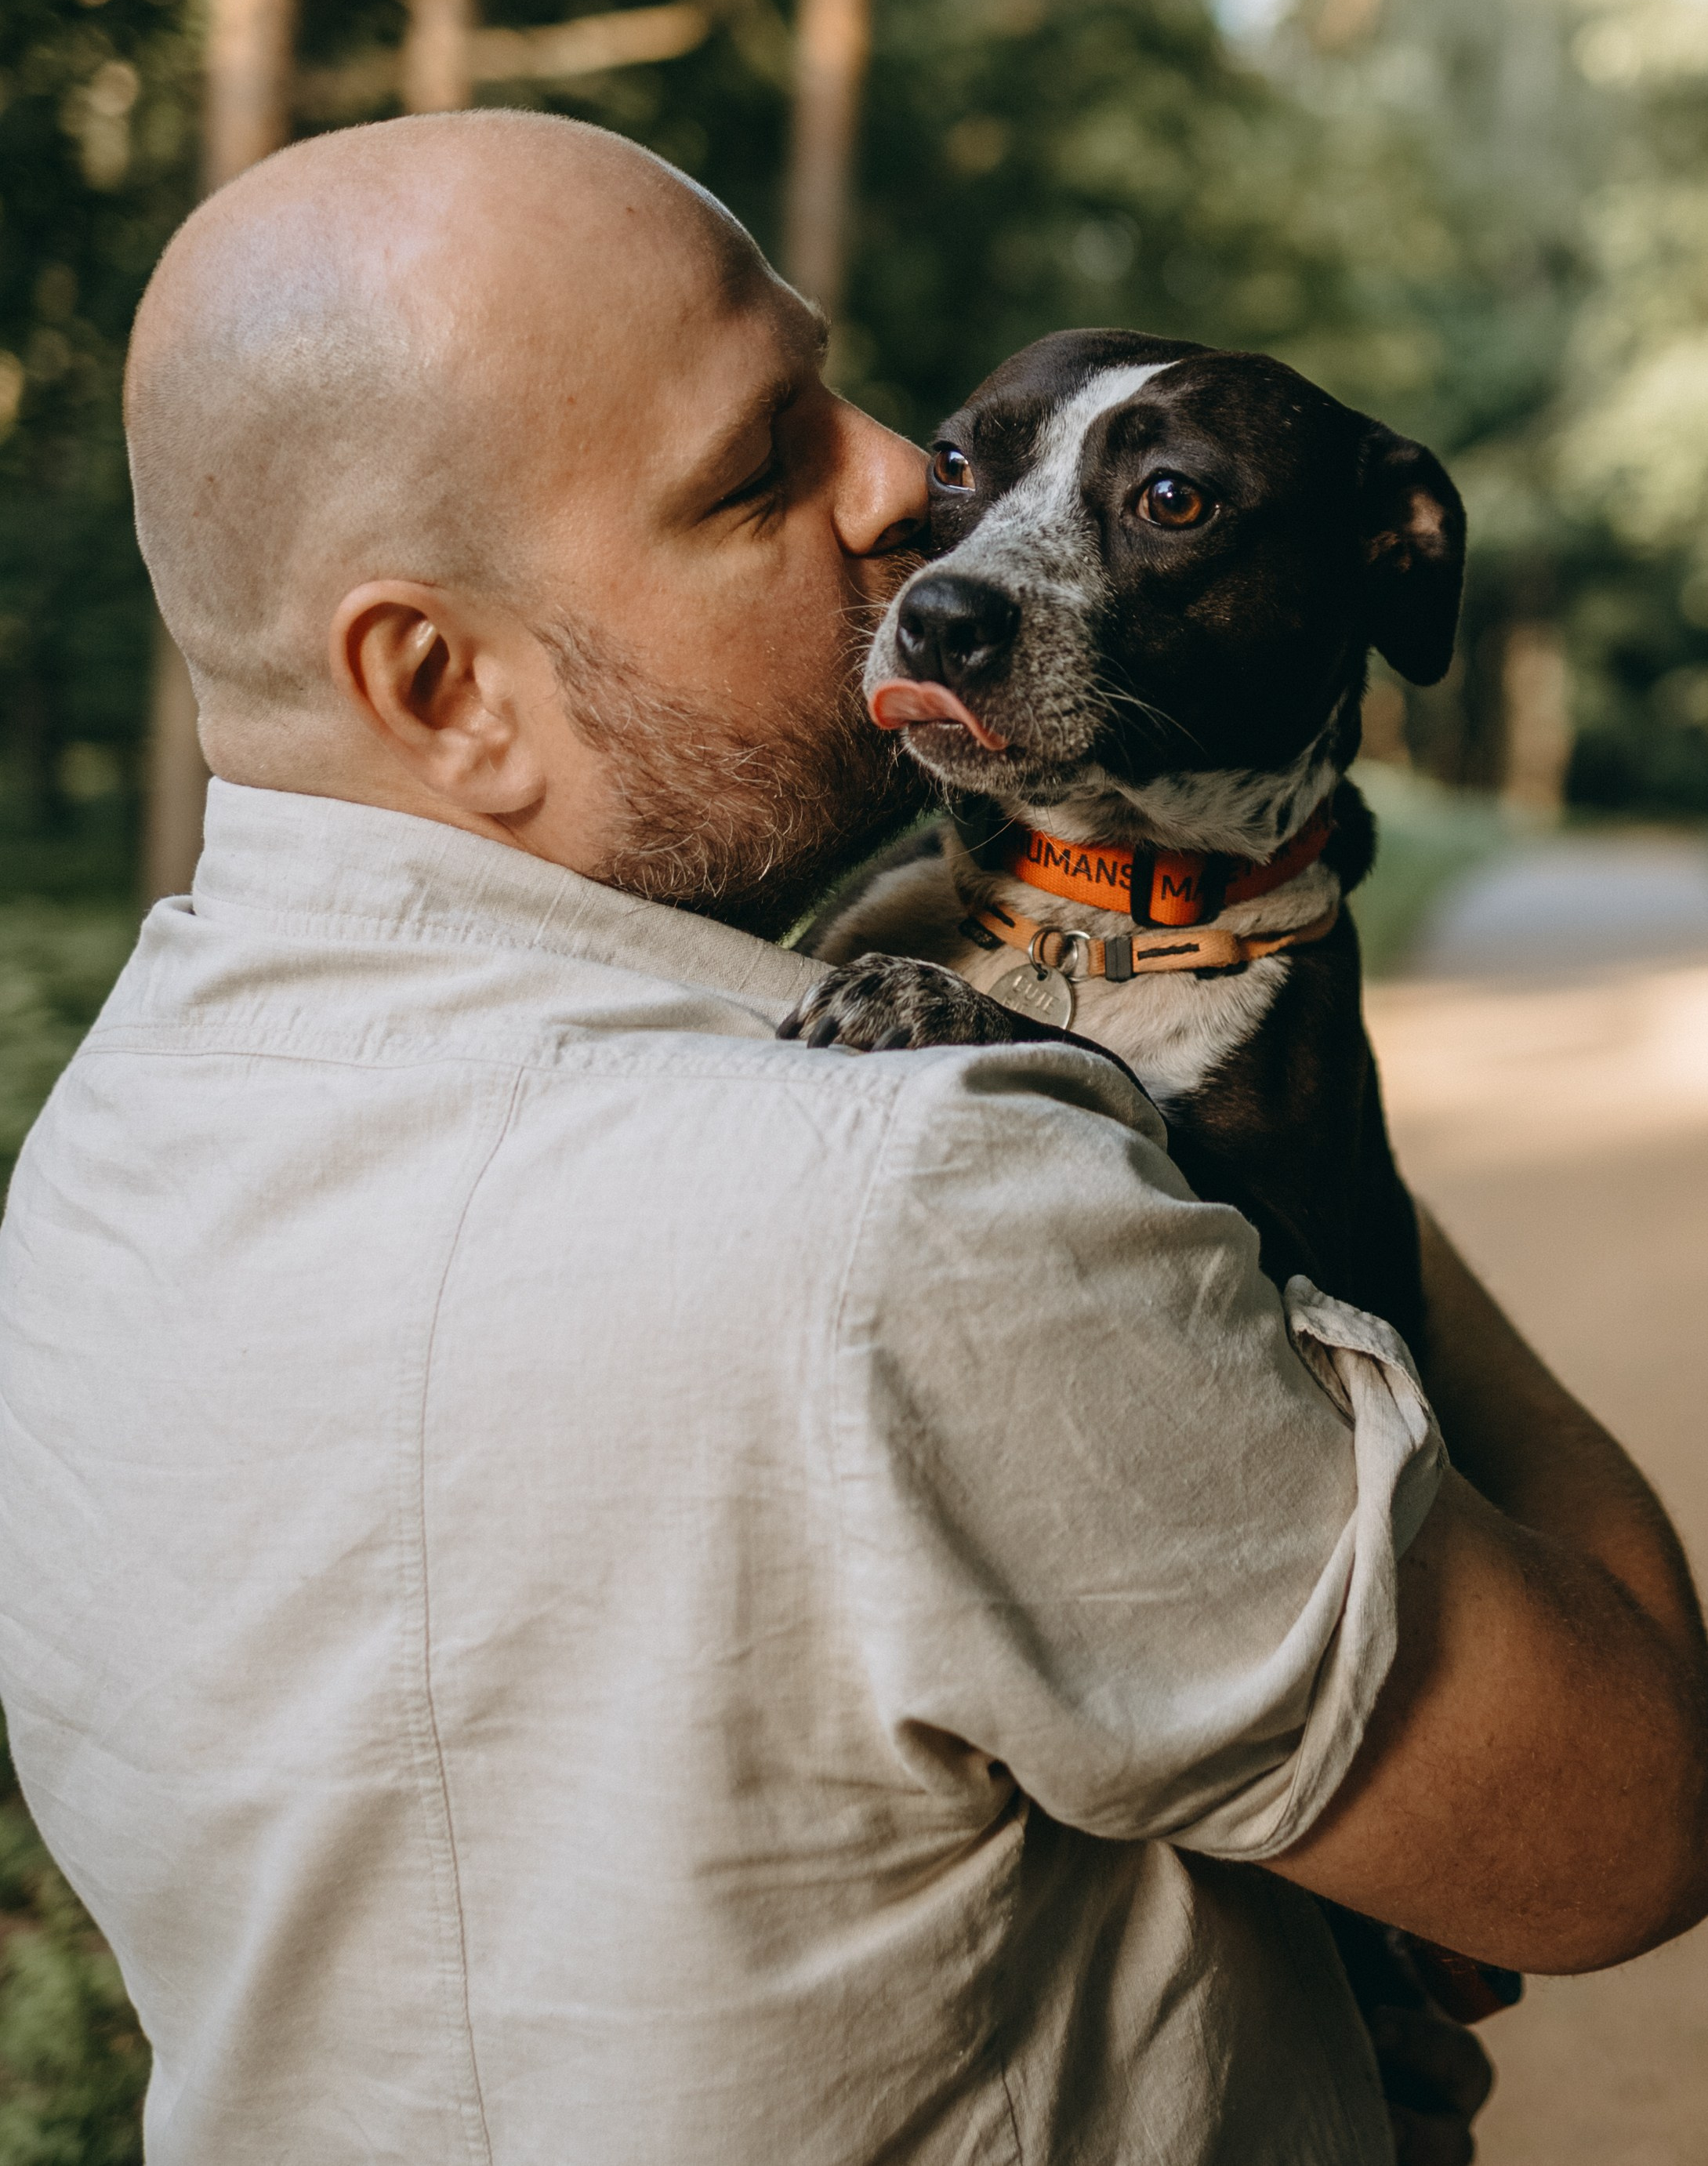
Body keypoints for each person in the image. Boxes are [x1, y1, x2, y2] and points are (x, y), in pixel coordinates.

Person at [0, 111, 1703, 2166]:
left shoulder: (109, 1151)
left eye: (843, 393)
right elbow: (1625, 1821)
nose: (906, 486)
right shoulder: (925, 1205)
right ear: (444, 687)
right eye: (757, 468)